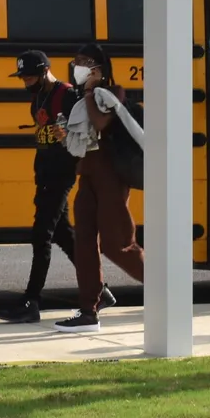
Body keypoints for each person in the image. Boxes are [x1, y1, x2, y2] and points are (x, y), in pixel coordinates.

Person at [0, 50, 117, 323]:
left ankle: (31, 301)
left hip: (61, 173)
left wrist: (67, 136)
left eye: (29, 76)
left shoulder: (67, 94)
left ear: (44, 72)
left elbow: (88, 132)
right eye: (22, 78)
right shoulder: (38, 96)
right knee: (63, 235)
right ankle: (100, 292)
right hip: (45, 173)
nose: (25, 82)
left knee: (42, 235)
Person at [55, 43, 144, 334]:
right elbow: (79, 140)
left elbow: (102, 123)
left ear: (99, 69)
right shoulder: (79, 99)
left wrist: (92, 92)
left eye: (85, 62)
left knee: (117, 244)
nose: (78, 67)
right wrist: (64, 135)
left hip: (110, 175)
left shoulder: (110, 94)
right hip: (87, 174)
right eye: (76, 61)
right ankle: (88, 309)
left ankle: (167, 287)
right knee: (84, 244)